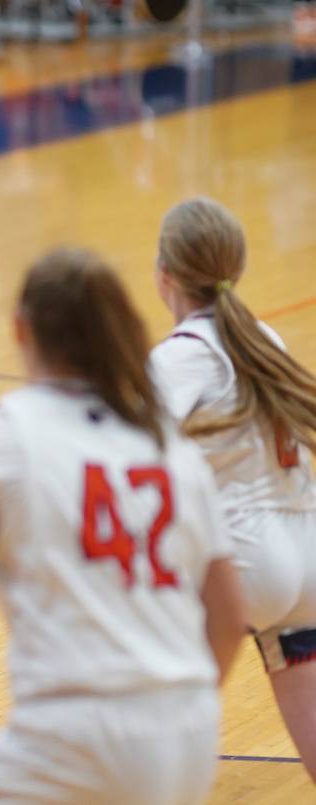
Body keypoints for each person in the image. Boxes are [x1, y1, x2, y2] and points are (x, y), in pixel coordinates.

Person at [0, 248, 246, 805]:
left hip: (73, 736)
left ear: (21, 331)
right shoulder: (169, 445)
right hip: (188, 734)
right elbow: (230, 616)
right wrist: (169, 712)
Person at [150, 197, 316, 779]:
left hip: (245, 559)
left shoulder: (177, 358)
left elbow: (124, 459)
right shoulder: (264, 337)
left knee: (140, 703)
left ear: (163, 275)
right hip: (308, 555)